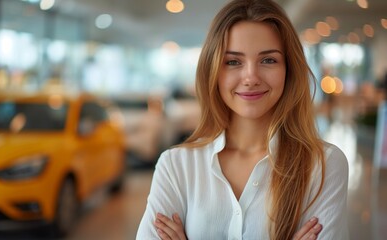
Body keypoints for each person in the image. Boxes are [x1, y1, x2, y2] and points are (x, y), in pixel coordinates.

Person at [136, 0, 349, 239]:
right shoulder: (176, 166)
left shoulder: (324, 165)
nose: (251, 77)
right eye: (233, 62)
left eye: (268, 60)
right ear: (213, 70)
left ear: (289, 70)